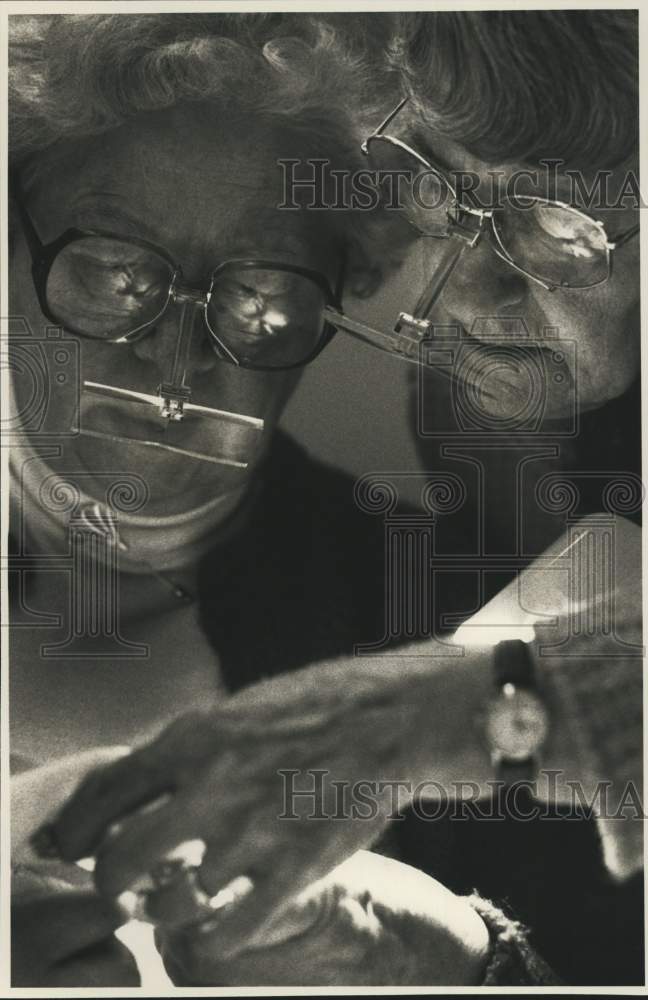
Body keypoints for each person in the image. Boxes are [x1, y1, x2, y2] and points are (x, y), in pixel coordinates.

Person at [22, 11, 642, 987]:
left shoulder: (437, 619)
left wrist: (443, 949)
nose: (179, 352)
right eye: (112, 266)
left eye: (263, 293)